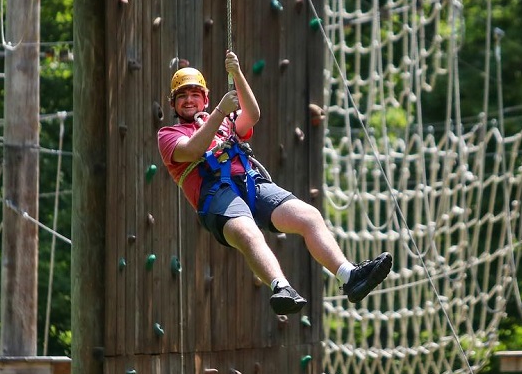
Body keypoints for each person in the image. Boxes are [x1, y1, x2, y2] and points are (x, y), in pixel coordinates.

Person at [157, 51, 392, 315]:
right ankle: (281, 286)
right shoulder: (169, 135)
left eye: (194, 95)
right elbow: (191, 150)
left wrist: (237, 73)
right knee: (247, 233)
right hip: (216, 196)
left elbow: (252, 114)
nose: (189, 100)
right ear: (173, 104)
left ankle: (349, 276)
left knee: (308, 216)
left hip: (250, 183)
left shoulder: (225, 123)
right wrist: (221, 110)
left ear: (205, 98)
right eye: (182, 96)